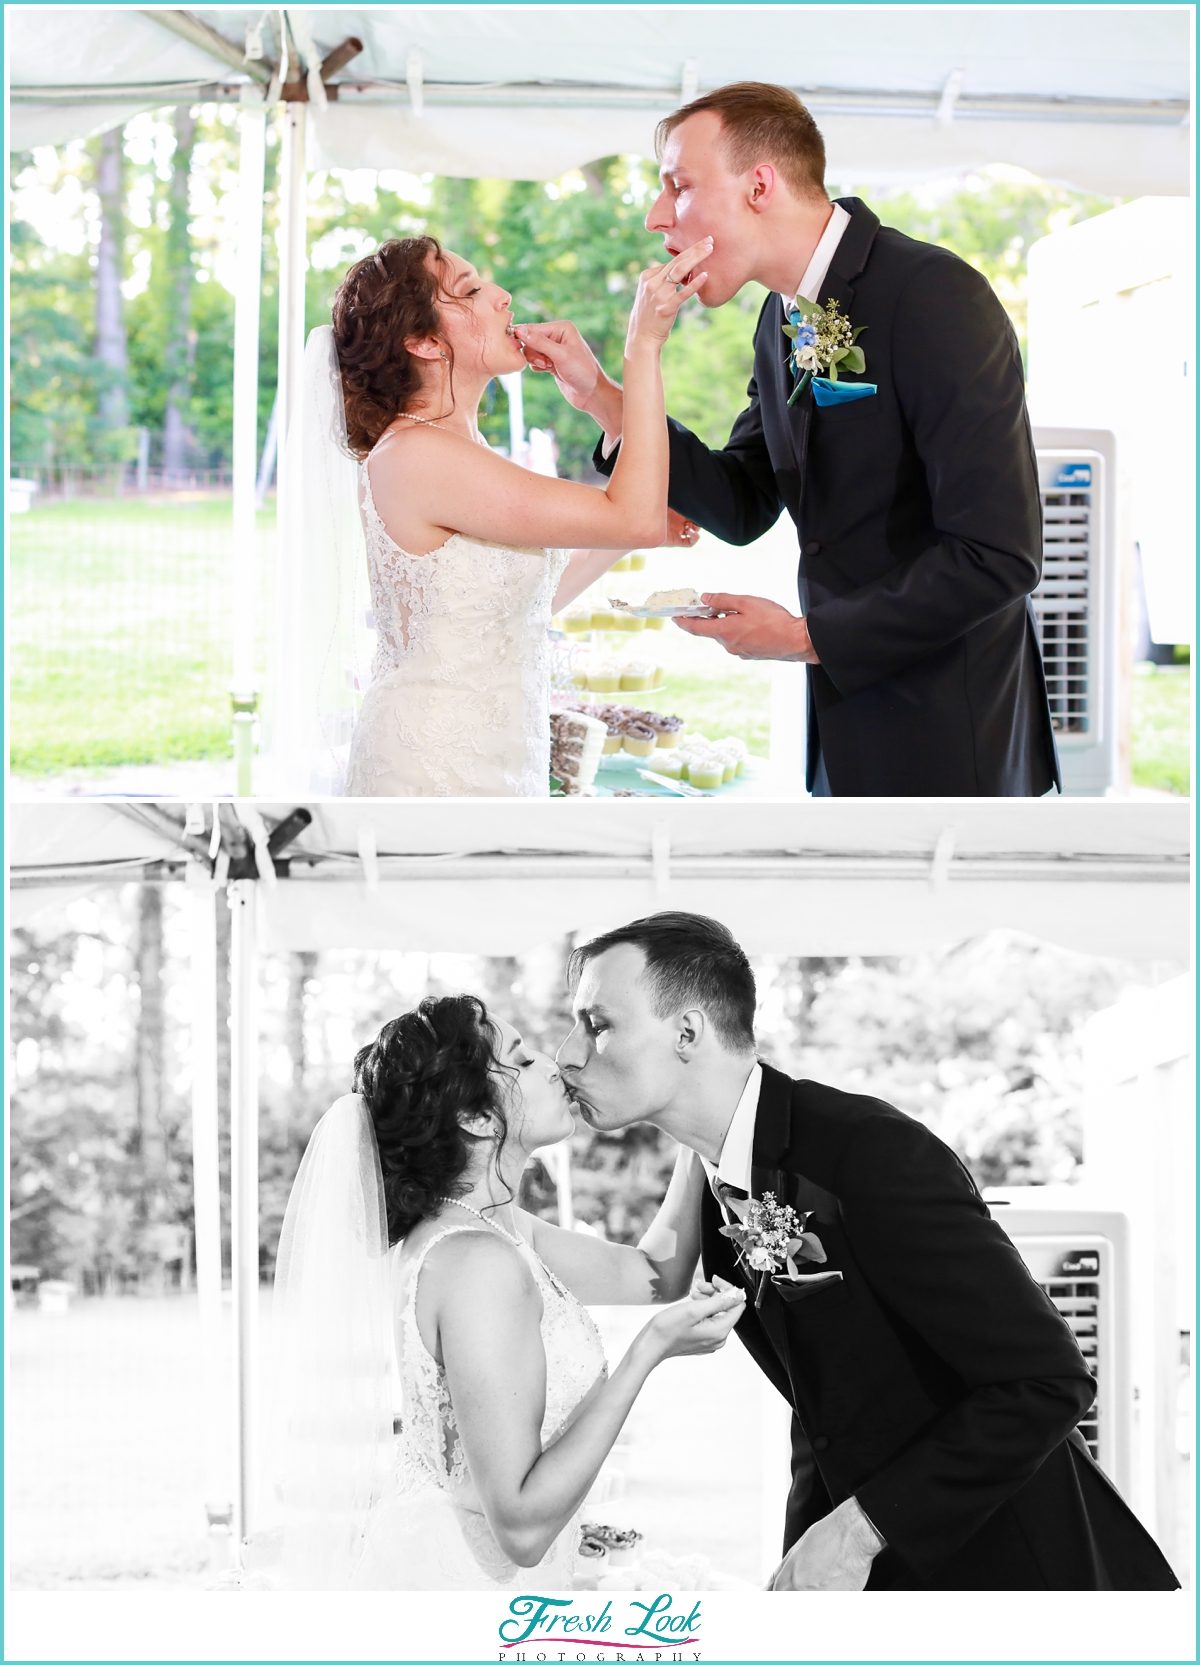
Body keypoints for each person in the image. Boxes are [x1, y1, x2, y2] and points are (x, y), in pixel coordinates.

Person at [555, 911, 1181, 1590]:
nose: (568, 1052)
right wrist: (805, 1558)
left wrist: (856, 1532)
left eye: (598, 1023)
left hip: (1026, 1576)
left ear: (687, 1032)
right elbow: (826, 1411)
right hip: (891, 1584)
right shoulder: (714, 1187)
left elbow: (1046, 1380)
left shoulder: (868, 1154)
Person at [518, 83, 1062, 797]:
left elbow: (999, 556)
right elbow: (743, 501)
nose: (656, 218)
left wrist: (805, 637)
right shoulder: (780, 322)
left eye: (678, 187)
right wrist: (601, 395)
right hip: (843, 736)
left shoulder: (934, 295)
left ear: (760, 186)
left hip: (954, 747)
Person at [270, 994, 745, 1589]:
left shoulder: (496, 1228)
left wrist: (694, 1129)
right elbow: (520, 1528)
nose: (552, 1064)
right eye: (519, 1061)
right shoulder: (475, 1262)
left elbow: (654, 1273)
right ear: (476, 1118)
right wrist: (647, 1353)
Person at [304, 234, 707, 797]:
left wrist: (627, 537)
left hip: (504, 756)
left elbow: (518, 604)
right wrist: (642, 345)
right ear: (422, 342)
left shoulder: (463, 451)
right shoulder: (417, 455)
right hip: (433, 770)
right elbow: (630, 514)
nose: (502, 296)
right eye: (469, 290)